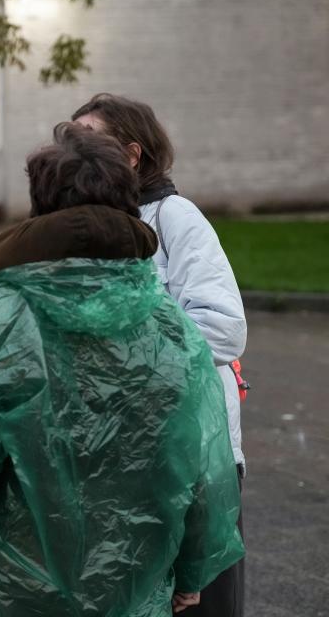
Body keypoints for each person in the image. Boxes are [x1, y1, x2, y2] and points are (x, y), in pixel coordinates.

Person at [0, 123, 244, 616]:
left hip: (17, 584)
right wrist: (195, 566)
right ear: (127, 197)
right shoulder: (167, 322)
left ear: (41, 200)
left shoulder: (1, 316)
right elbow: (195, 458)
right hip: (135, 583)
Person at [72, 92, 248, 617]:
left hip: (192, 455)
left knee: (201, 601)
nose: (74, 149)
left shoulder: (175, 217)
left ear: (131, 154)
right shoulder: (84, 225)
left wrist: (121, 354)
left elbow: (223, 329)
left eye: (89, 138)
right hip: (114, 455)